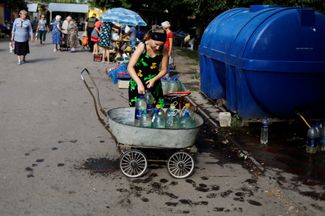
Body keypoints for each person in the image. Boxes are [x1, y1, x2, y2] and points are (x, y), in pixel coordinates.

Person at [127, 25, 168, 107]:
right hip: (137, 83)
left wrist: (153, 80)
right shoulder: (142, 46)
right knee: (138, 112)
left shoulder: (164, 49)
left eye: (161, 45)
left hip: (154, 84)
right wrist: (139, 83)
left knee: (156, 112)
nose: (158, 47)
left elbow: (164, 70)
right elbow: (130, 67)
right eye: (156, 44)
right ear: (149, 38)